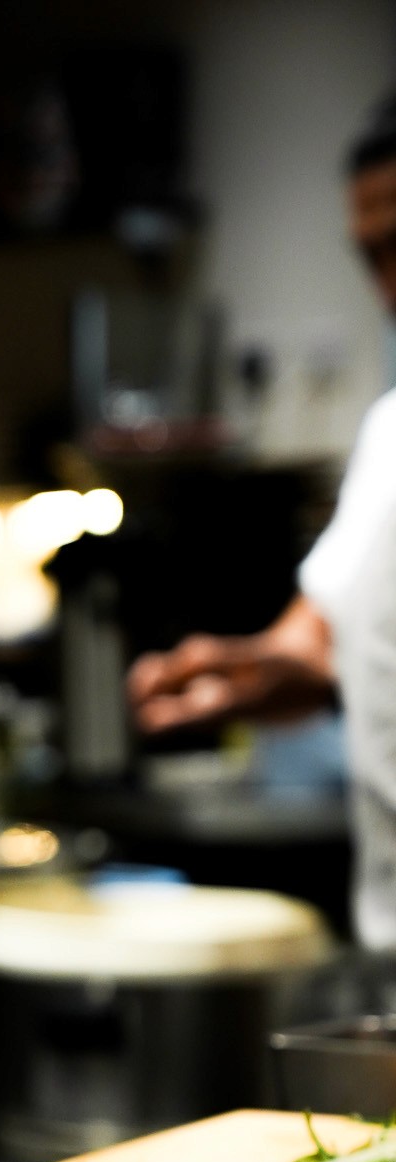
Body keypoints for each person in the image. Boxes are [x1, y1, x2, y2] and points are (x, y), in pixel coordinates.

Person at [127, 89, 396, 949]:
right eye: (373, 257)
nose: (388, 286)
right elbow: (318, 641)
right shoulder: (392, 437)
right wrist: (241, 673)